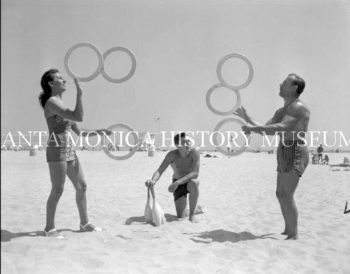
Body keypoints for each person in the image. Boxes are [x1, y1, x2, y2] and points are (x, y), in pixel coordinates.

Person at [235, 73, 310, 240]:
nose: (280, 84)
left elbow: (281, 127)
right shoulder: (282, 110)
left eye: (285, 82)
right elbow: (265, 128)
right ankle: (288, 229)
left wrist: (252, 129)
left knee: (287, 193)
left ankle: (293, 234)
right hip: (283, 149)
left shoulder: (298, 107)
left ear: (294, 87)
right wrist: (246, 118)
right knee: (280, 193)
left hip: (296, 149)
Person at [39, 68, 111, 237]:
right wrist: (80, 94)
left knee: (82, 186)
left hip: (69, 150)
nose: (64, 81)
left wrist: (99, 132)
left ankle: (85, 223)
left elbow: (81, 132)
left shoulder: (61, 104)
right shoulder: (51, 103)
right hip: (56, 149)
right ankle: (49, 228)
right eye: (60, 78)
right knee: (58, 189)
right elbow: (78, 116)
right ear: (51, 83)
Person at [145, 132, 202, 223]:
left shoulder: (194, 153)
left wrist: (178, 182)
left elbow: (195, 173)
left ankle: (192, 215)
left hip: (188, 181)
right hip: (177, 183)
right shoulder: (172, 155)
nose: (187, 144)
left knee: (194, 182)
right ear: (177, 145)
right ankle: (195, 209)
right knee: (180, 216)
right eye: (184, 142)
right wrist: (153, 181)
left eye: (188, 141)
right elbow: (160, 170)